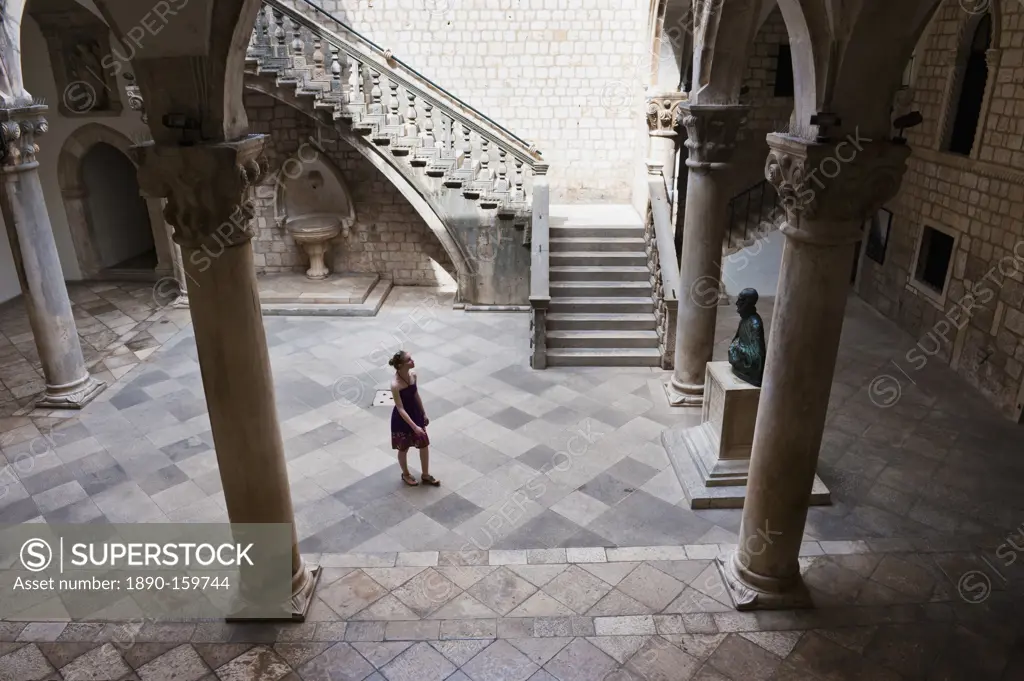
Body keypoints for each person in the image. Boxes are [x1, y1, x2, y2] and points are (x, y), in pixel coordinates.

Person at [389, 350, 439, 486]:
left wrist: (423, 413)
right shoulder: (395, 385)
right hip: (402, 419)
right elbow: (400, 408)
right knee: (403, 448)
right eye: (409, 360)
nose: (412, 361)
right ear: (400, 365)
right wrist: (414, 427)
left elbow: (415, 395)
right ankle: (405, 474)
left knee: (424, 444)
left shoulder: (413, 375)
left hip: (415, 414)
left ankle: (426, 475)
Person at [728, 288, 767, 387]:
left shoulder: (755, 324)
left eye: (740, 300)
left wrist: (736, 347)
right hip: (741, 356)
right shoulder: (744, 320)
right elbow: (735, 341)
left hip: (749, 366)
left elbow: (757, 357)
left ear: (748, 303)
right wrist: (736, 346)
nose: (737, 303)